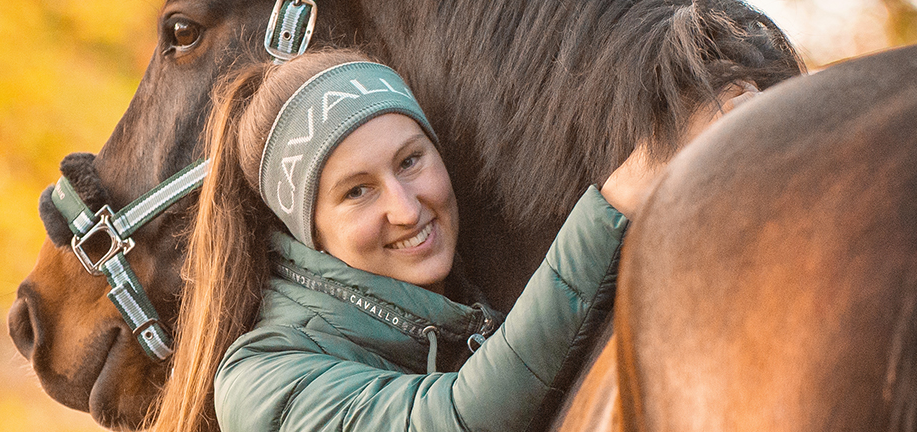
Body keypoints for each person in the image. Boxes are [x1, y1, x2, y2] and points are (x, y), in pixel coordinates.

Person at [152, 49, 750, 432]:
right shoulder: (265, 379)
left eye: (410, 160)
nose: (406, 208)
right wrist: (615, 203)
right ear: (308, 230)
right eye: (356, 192)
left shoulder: (467, 305)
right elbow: (453, 417)